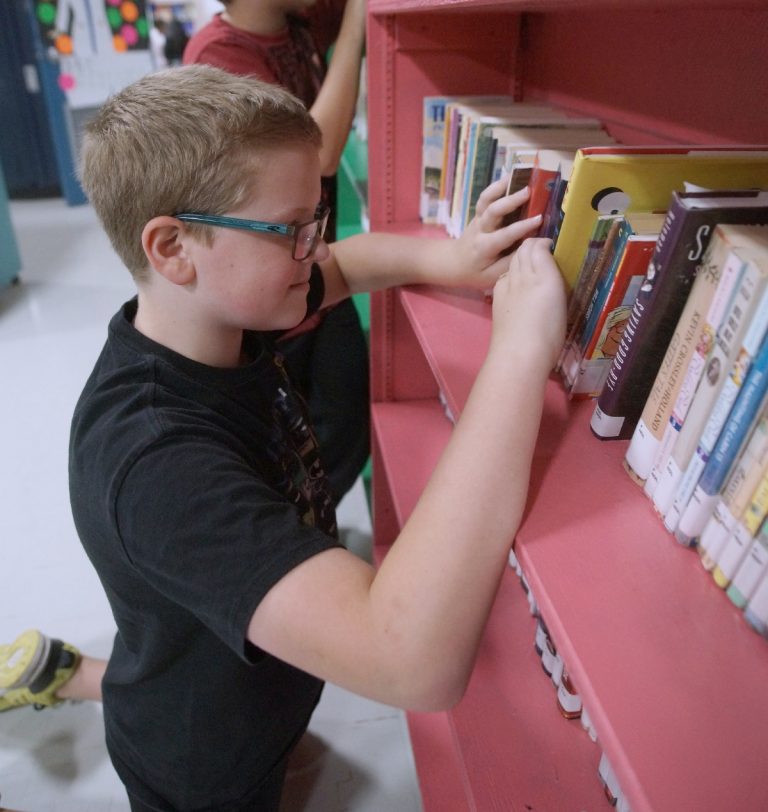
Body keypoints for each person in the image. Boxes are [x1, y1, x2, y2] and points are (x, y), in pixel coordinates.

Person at [0, 65, 564, 811]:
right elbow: (411, 663)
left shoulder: (222, 311)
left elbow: (347, 266)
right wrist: (519, 353)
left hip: (253, 689)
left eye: (318, 223)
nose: (317, 248)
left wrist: (448, 260)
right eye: (292, 230)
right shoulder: (157, 465)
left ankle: (84, 675)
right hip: (201, 766)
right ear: (173, 247)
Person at [183, 0, 370, 505]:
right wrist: (352, 34)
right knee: (292, 450)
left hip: (312, 269)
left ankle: (312, 533)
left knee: (345, 427)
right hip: (270, 298)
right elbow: (319, 151)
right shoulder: (219, 55)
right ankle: (302, 545)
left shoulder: (300, 21)